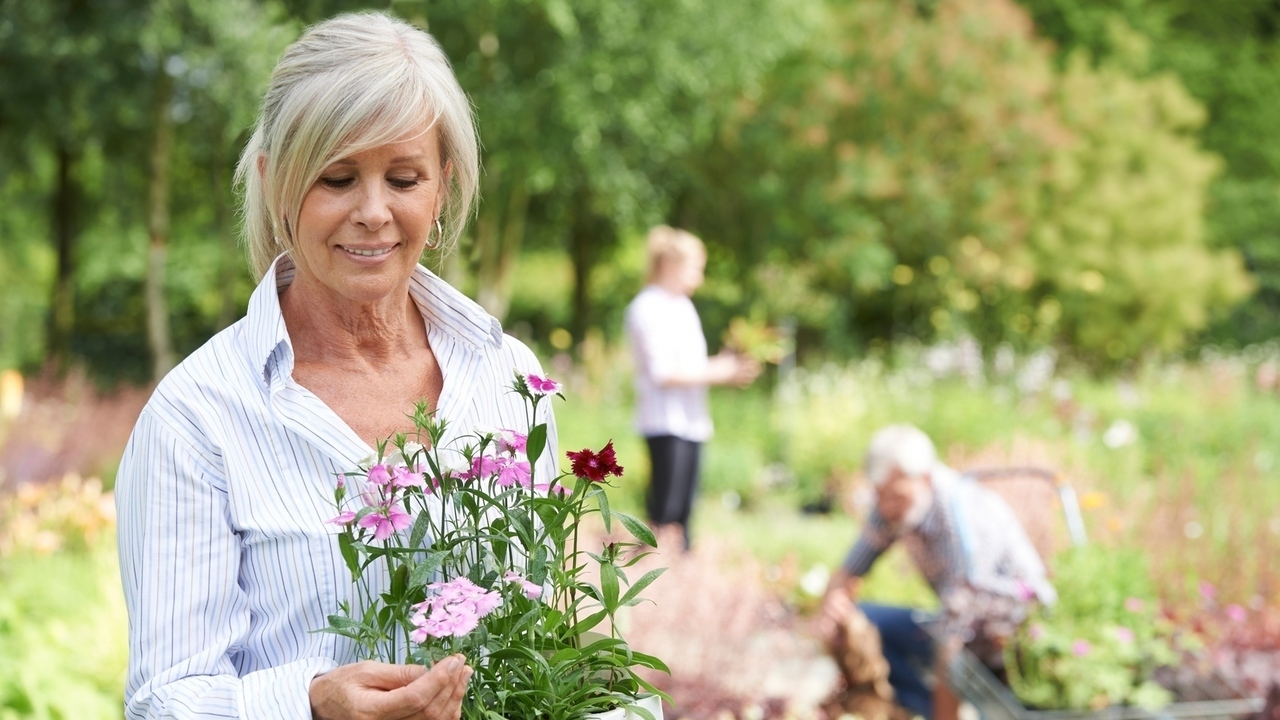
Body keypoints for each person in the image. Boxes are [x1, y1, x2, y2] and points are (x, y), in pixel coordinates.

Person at [115, 13, 557, 720]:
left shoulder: (507, 377)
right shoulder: (197, 416)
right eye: (338, 177)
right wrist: (310, 705)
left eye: (404, 178)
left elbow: (548, 638)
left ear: (441, 186)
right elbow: (163, 701)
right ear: (276, 184)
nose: (374, 212)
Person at [820, 424, 1056, 720]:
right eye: (879, 496)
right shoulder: (894, 506)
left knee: (950, 655)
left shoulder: (962, 513)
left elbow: (961, 623)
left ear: (925, 478)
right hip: (956, 617)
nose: (887, 507)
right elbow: (849, 570)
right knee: (860, 618)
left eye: (895, 497)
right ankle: (919, 707)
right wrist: (832, 609)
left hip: (1009, 628)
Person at [623, 226, 759, 551]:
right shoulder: (647, 307)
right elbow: (663, 373)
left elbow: (693, 364)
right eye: (695, 267)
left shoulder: (682, 306)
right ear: (670, 265)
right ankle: (649, 576)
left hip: (691, 420)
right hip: (664, 421)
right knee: (664, 510)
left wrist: (730, 361)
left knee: (685, 514)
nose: (699, 276)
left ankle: (679, 577)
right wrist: (721, 371)